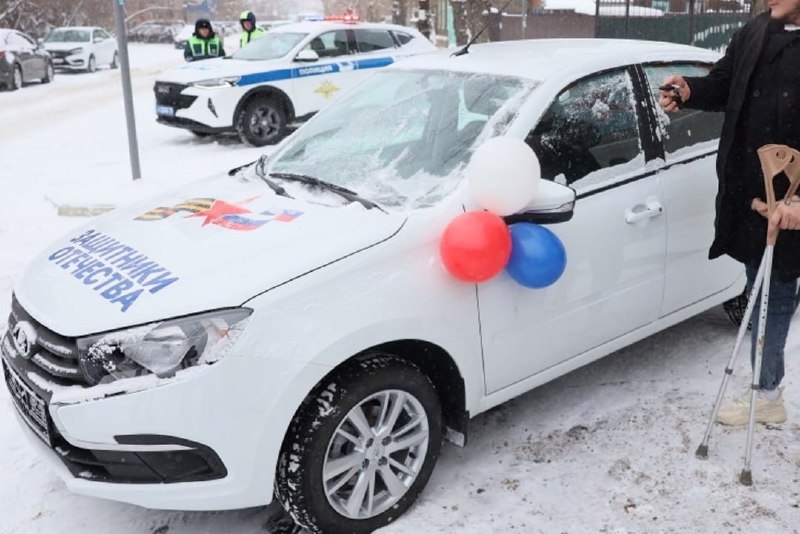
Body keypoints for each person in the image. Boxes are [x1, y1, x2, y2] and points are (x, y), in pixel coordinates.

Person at [659, 0, 800, 426]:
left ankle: (768, 394)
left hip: (791, 200)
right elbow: (724, 82)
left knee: (773, 296)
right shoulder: (756, 30)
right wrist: (688, 90)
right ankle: (768, 392)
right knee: (765, 292)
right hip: (754, 196)